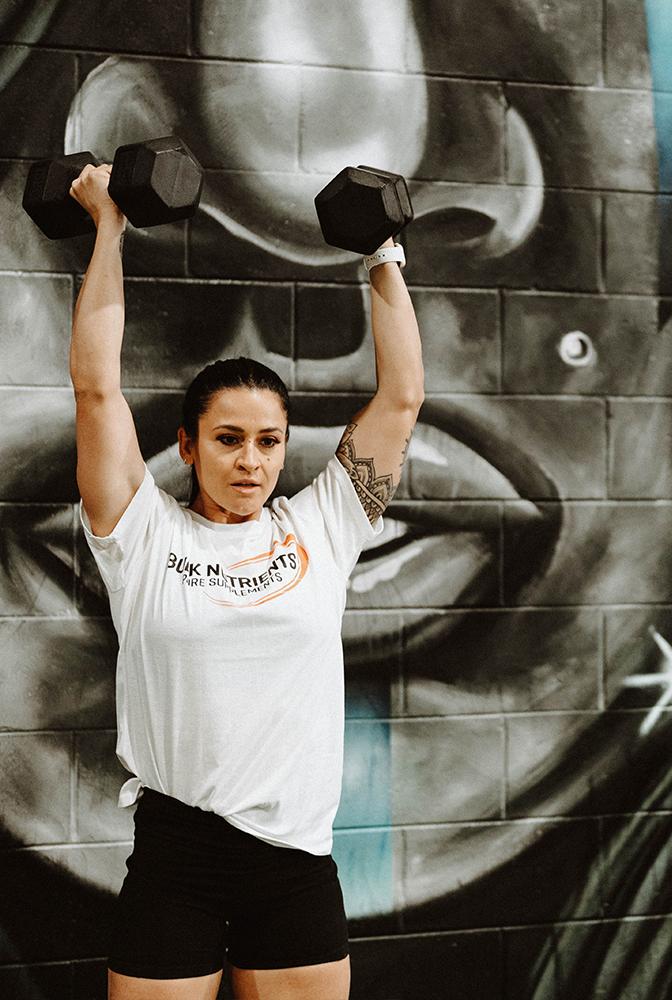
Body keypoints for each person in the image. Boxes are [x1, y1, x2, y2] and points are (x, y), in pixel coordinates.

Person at [69, 161, 423, 1000]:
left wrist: (383, 255)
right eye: (229, 439)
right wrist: (108, 231)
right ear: (187, 446)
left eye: (269, 441)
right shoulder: (140, 530)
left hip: (294, 868)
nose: (252, 460)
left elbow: (402, 398)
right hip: (176, 866)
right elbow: (96, 389)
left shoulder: (322, 525)